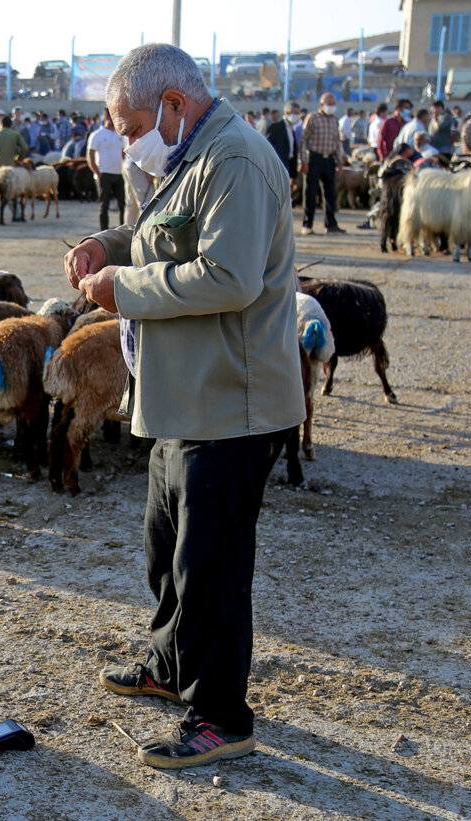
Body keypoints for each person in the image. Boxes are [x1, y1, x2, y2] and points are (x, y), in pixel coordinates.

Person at [64, 42, 303, 772]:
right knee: (167, 545)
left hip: (232, 400)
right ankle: (171, 664)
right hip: (185, 394)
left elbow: (227, 277)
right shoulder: (189, 157)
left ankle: (221, 714)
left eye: (130, 125)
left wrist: (121, 291)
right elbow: (157, 237)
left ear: (172, 106)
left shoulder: (233, 160)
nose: (125, 140)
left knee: (213, 565)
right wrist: (105, 246)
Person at [299, 92, 346, 235]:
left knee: (330, 193)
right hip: (315, 158)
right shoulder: (312, 118)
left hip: (329, 159)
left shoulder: (335, 120)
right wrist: (304, 161)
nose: (332, 107)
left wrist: (339, 161)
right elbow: (303, 141)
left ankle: (331, 224)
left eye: (333, 104)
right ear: (321, 105)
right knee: (311, 193)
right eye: (329, 104)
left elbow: (337, 141)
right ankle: (307, 224)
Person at [87, 108, 126, 231]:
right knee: (104, 205)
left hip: (119, 174)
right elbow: (90, 155)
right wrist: (97, 172)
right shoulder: (97, 135)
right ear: (107, 118)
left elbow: (124, 152)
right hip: (104, 174)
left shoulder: (121, 135)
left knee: (123, 204)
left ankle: (122, 229)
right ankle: (104, 231)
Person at [0, 114, 28, 223]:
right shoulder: (15, 135)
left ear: (1, 124)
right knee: (12, 189)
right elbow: (24, 148)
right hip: (9, 165)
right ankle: (16, 214)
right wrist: (18, 158)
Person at [265, 106, 295, 178]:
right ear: (287, 113)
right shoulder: (276, 127)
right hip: (279, 164)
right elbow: (269, 144)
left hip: (289, 162)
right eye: (295, 113)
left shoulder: (291, 127)